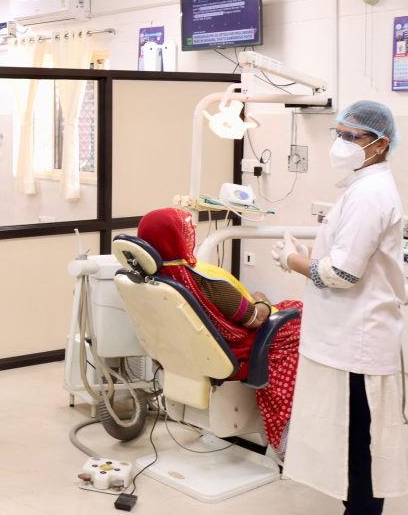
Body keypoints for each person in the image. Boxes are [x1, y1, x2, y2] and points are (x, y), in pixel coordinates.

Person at [271, 101, 408, 514]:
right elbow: (345, 257)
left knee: (359, 454)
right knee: (348, 451)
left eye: (352, 137)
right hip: (341, 341)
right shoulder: (360, 188)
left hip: (358, 345)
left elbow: (343, 274)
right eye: (340, 134)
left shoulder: (371, 194)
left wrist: (293, 261)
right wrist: (310, 255)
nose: (341, 143)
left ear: (380, 144)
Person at [136, 207, 302, 455]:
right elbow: (254, 319)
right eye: (187, 230)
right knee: (296, 317)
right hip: (233, 351)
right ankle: (283, 433)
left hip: (182, 351)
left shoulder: (147, 279)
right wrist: (262, 302)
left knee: (289, 309)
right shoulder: (201, 280)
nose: (192, 232)